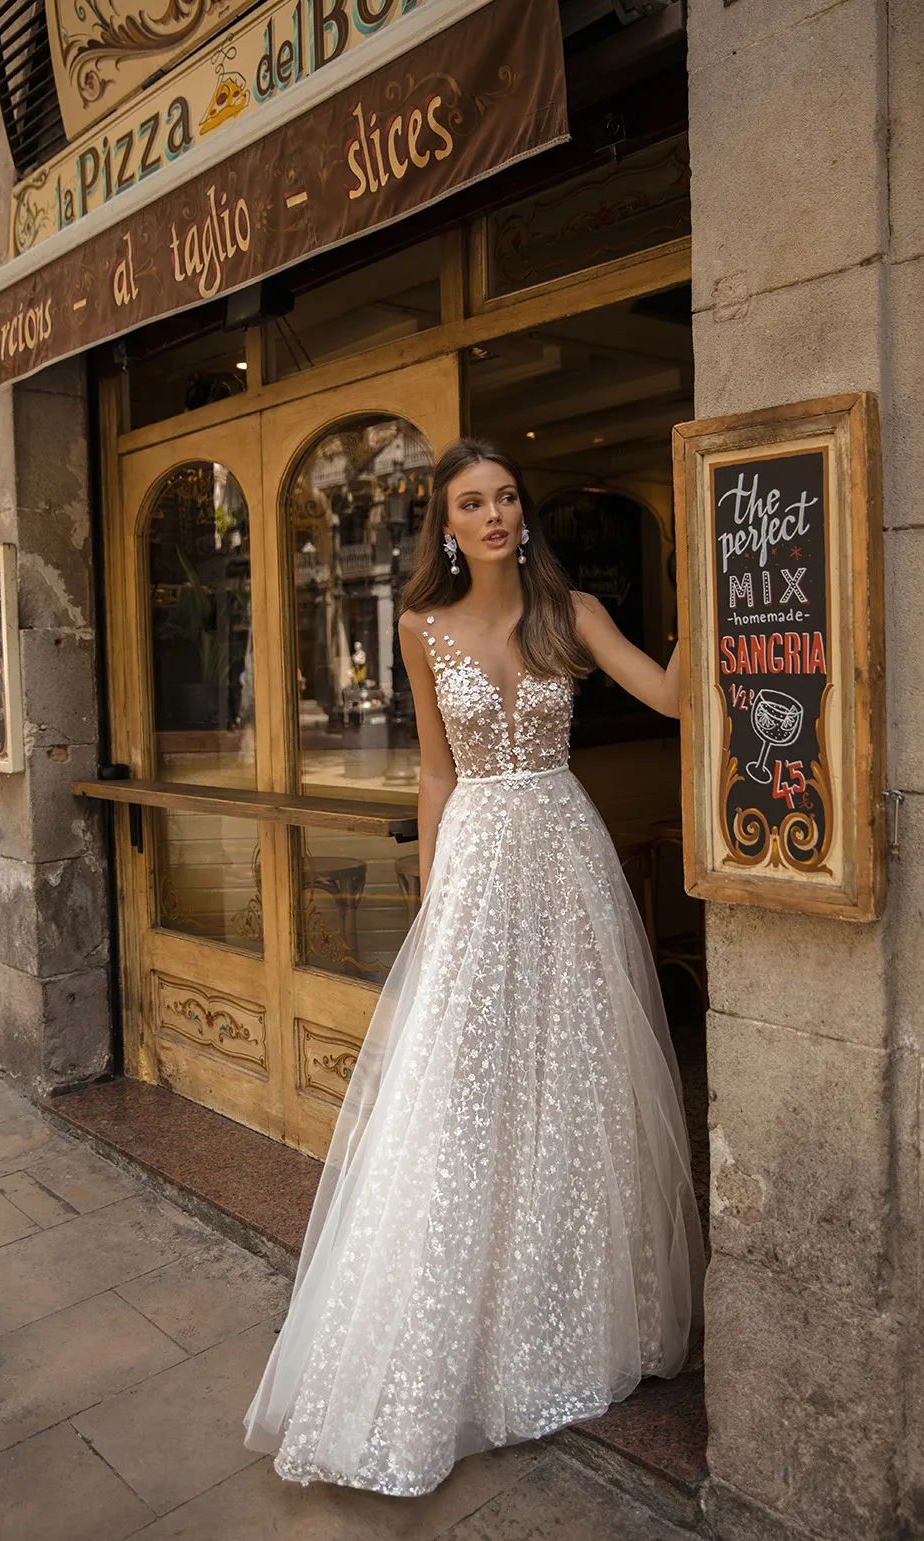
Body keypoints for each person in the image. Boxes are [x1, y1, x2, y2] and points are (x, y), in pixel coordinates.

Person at [242, 437, 705, 1497]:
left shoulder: (572, 612)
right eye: (470, 502)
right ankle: (451, 1335)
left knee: (575, 1082)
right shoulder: (417, 627)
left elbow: (675, 696)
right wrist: (435, 889)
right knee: (463, 1095)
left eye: (504, 497)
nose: (492, 514)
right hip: (478, 867)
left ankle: (572, 1321)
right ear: (445, 527)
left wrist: (714, 584)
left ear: (522, 514)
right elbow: (436, 771)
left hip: (565, 856)